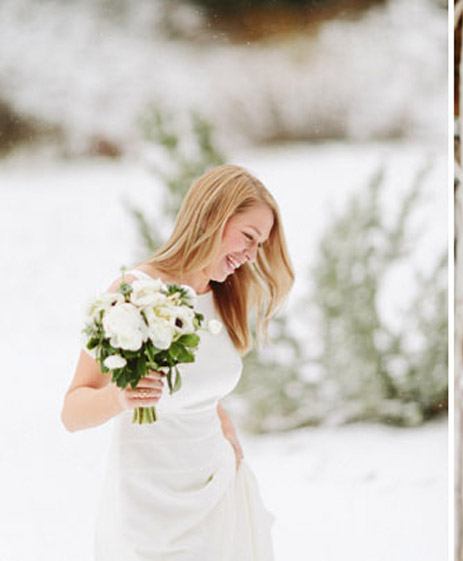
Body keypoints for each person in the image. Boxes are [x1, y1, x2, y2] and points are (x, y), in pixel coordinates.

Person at [61, 164, 294, 561]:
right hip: (149, 506)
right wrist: (121, 397)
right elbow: (72, 412)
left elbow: (202, 386)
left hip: (217, 490)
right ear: (213, 217)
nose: (251, 256)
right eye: (248, 237)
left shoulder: (226, 298)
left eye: (260, 246)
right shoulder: (135, 292)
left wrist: (229, 436)